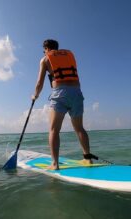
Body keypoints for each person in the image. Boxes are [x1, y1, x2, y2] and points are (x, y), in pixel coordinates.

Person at [31, 39, 93, 170]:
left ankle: (55, 164)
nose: (44, 52)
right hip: (76, 93)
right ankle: (88, 159)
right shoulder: (69, 54)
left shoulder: (45, 59)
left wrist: (35, 96)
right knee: (79, 128)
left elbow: (39, 84)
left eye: (44, 50)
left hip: (60, 94)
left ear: (46, 48)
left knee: (54, 130)